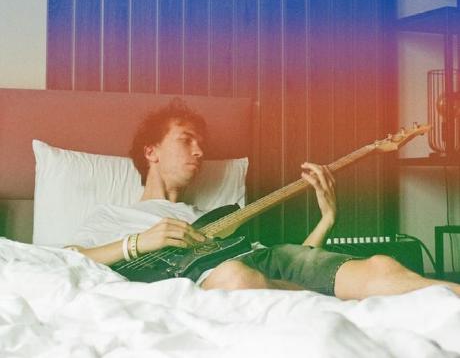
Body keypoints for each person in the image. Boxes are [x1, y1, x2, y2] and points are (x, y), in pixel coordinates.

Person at [69, 99, 460, 299]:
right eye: (186, 140)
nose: (199, 152)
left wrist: (326, 219)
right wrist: (137, 242)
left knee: (382, 267)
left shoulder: (214, 216)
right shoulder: (114, 216)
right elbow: (66, 260)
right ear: (150, 151)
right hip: (226, 277)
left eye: (201, 144)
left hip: (263, 261)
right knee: (237, 278)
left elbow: (291, 265)